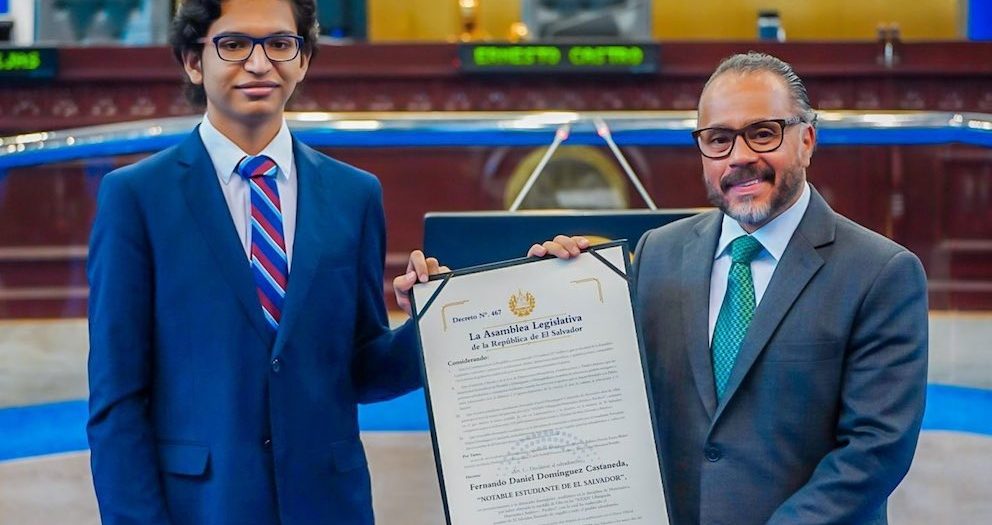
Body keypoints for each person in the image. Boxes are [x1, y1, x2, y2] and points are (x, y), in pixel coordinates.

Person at [530, 52, 928, 524]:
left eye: (763, 133)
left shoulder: (881, 273)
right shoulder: (659, 252)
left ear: (806, 140)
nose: (740, 157)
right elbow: (608, 394)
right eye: (718, 139)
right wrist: (555, 295)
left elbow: (875, 451)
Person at [86, 0, 443, 523]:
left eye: (280, 44)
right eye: (233, 45)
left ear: (304, 60)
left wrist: (430, 321)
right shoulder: (137, 198)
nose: (259, 64)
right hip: (203, 507)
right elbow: (117, 400)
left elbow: (361, 370)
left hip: (327, 507)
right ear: (193, 61)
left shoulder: (354, 195)